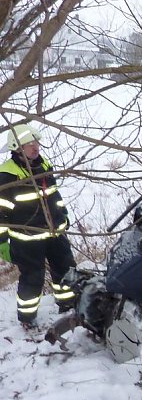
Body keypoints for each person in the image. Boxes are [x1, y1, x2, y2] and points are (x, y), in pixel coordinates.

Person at [0, 124, 77, 327]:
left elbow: (54, 196)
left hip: (54, 233)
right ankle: (27, 319)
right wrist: (2, 242)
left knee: (66, 269)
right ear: (17, 148)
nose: (35, 148)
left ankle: (67, 305)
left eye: (36, 143)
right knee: (33, 278)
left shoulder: (43, 165)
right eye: (29, 144)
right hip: (27, 239)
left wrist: (63, 216)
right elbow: (1, 214)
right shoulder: (7, 176)